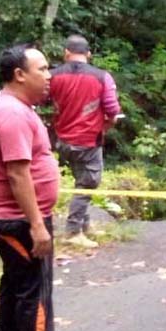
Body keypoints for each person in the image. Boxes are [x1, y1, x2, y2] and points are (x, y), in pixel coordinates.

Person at [0, 44, 78, 331]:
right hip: (21, 220)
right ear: (20, 74)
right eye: (42, 69)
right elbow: (18, 175)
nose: (49, 75)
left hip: (14, 216)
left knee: (16, 283)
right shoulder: (12, 115)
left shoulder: (14, 108)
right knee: (35, 291)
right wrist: (37, 225)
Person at [49, 35, 121, 249]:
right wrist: (110, 122)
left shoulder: (52, 76)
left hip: (62, 139)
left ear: (66, 53)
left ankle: (84, 225)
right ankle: (73, 230)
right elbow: (113, 110)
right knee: (89, 183)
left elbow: (39, 99)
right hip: (88, 140)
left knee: (81, 180)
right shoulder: (101, 77)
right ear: (88, 54)